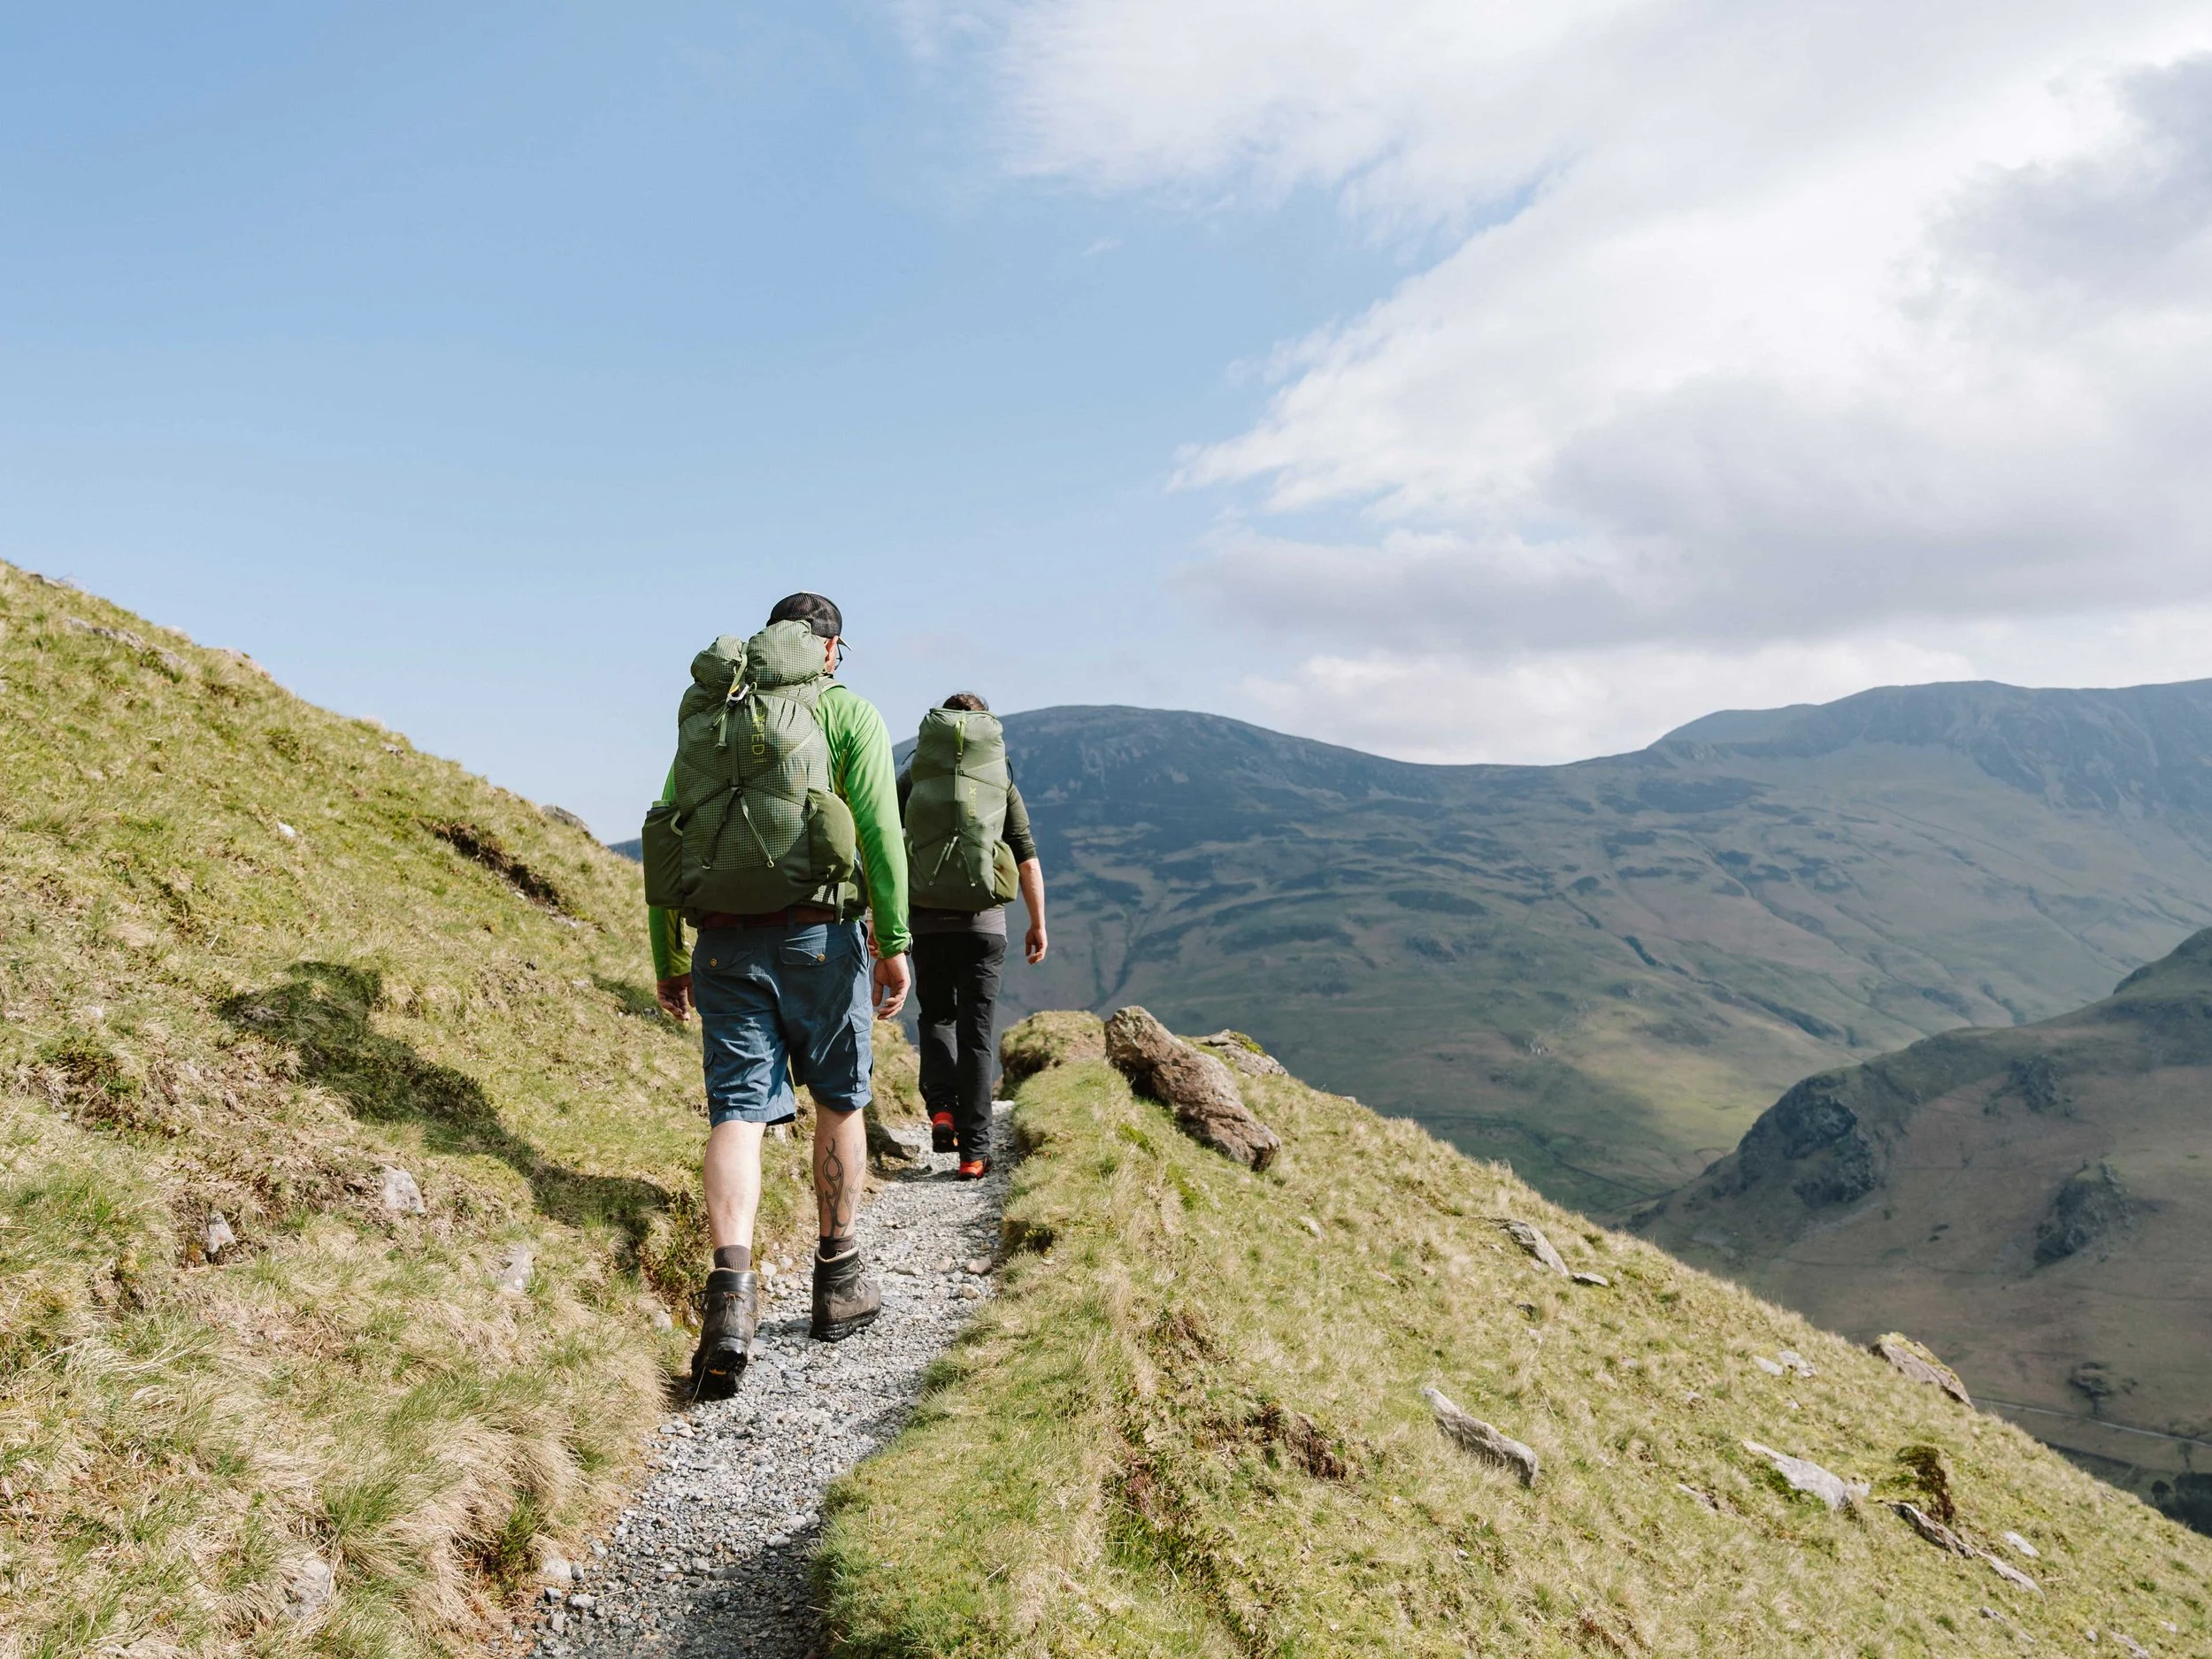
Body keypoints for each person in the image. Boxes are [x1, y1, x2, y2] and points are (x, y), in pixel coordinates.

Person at [645, 592, 911, 1400]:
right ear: (827, 648)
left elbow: (671, 828)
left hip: (723, 939)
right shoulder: (848, 714)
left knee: (737, 1110)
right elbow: (879, 831)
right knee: (839, 1099)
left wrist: (670, 955)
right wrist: (894, 943)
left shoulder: (713, 716)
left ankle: (729, 1299)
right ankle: (838, 1276)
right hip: (820, 936)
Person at [897, 692, 1046, 1179]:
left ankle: (941, 1109)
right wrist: (1037, 923)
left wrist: (882, 918)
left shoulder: (917, 771)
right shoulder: (998, 776)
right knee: (977, 1036)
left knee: (936, 1016)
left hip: (925, 921)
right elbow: (1025, 856)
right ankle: (974, 1154)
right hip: (985, 926)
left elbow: (881, 835)